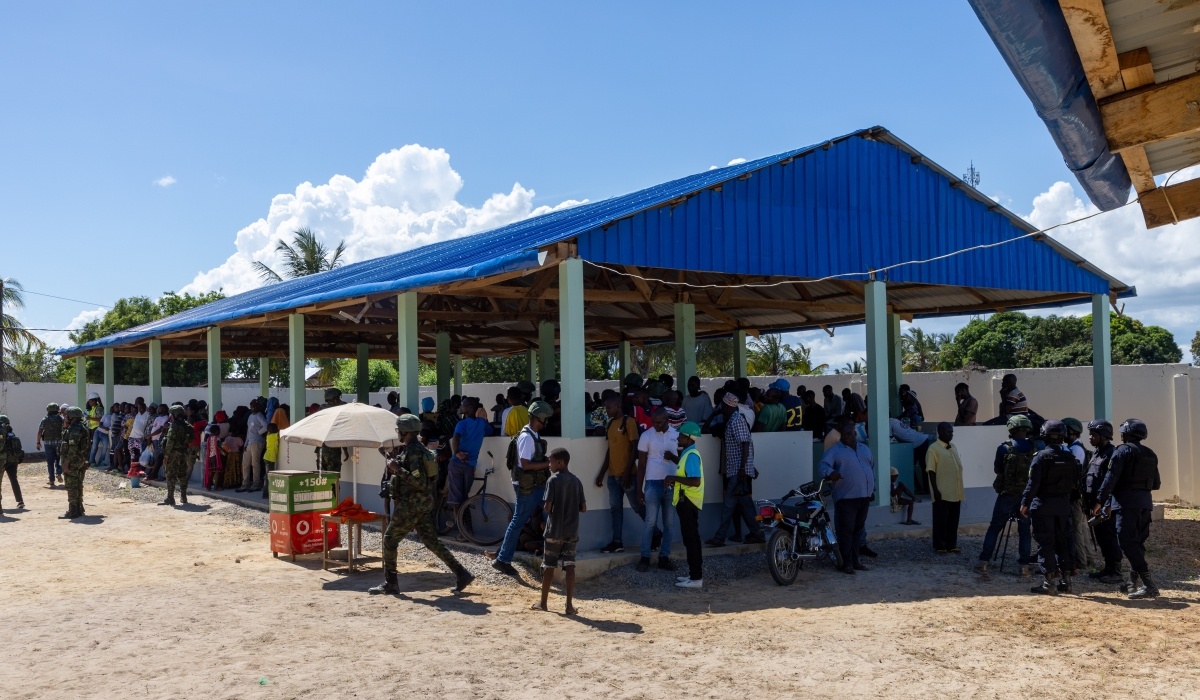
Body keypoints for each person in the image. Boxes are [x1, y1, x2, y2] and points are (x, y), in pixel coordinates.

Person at [370, 414, 474, 595]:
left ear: (405, 431)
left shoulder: (413, 451)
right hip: (423, 503)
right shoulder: (415, 448)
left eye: (399, 431)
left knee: (389, 539)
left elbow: (420, 482)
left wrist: (397, 469)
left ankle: (391, 583)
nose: (398, 434)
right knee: (431, 541)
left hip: (412, 503)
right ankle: (462, 573)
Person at [1092, 419, 1161, 599]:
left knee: (1126, 543)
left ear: (1126, 434)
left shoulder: (1122, 451)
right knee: (1136, 543)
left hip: (1125, 504)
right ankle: (1132, 584)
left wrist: (1100, 501)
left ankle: (1149, 585)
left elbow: (1110, 479)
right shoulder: (1150, 453)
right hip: (1145, 503)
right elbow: (1156, 484)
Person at [490, 401, 555, 575]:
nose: (547, 422)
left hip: (533, 485)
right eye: (545, 419)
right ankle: (502, 559)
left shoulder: (532, 435)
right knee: (518, 522)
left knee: (521, 521)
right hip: (527, 487)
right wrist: (547, 463)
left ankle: (501, 556)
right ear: (540, 419)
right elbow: (525, 465)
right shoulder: (527, 437)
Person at [1022, 420, 1081, 595]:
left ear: (1044, 436)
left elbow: (1033, 483)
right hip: (1063, 506)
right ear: (1063, 437)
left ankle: (1049, 584)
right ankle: (1067, 582)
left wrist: (1025, 503)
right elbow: (1077, 482)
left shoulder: (1041, 456)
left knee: (1046, 543)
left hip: (1043, 506)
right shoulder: (1070, 457)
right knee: (1063, 542)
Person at [974, 415, 1035, 577]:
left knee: (995, 528)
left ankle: (983, 563)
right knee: (1024, 532)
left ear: (1011, 429)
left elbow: (997, 469)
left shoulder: (1004, 448)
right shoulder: (1034, 447)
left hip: (1007, 495)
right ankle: (1024, 567)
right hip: (1026, 498)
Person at [705, 393, 764, 547]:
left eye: (722, 407)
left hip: (738, 471)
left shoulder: (736, 420)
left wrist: (744, 467)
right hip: (738, 470)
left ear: (726, 406)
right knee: (745, 505)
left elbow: (745, 443)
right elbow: (745, 444)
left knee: (728, 504)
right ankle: (757, 533)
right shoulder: (734, 419)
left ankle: (719, 537)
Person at [818, 418, 875, 574]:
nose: (846, 437)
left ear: (855, 433)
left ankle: (855, 561)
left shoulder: (865, 449)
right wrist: (831, 473)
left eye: (849, 434)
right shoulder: (835, 450)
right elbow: (822, 466)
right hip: (846, 498)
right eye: (844, 434)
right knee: (846, 531)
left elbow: (871, 469)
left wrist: (872, 489)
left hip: (864, 497)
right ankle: (846, 563)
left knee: (857, 530)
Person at [533, 447, 586, 614]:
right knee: (570, 566)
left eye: (551, 461)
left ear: (560, 462)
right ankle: (569, 606)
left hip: (554, 530)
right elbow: (583, 508)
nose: (549, 464)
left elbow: (548, 507)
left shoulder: (553, 481)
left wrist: (544, 509)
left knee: (549, 566)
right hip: (572, 531)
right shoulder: (577, 481)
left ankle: (543, 603)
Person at [593, 395, 643, 553]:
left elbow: (635, 448)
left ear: (618, 406)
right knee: (615, 509)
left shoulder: (628, 422)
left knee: (637, 506)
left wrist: (627, 473)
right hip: (613, 476)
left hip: (627, 475)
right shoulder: (610, 424)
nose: (606, 410)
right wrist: (602, 473)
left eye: (608, 407)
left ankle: (656, 533)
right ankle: (617, 542)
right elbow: (611, 450)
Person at [635, 408, 680, 572]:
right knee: (650, 522)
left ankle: (664, 558)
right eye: (653, 422)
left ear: (667, 420)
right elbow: (641, 464)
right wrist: (639, 490)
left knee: (669, 523)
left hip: (672, 484)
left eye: (659, 422)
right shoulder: (646, 435)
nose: (655, 425)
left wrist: (672, 457)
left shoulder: (676, 435)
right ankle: (644, 558)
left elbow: (683, 461)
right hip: (652, 483)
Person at [1082, 419, 1123, 583]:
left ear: (1104, 436)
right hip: (1094, 503)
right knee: (1101, 538)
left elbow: (1114, 482)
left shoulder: (1112, 454)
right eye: (1090, 434)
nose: (1090, 438)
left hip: (1106, 505)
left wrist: (1108, 505)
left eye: (1094, 435)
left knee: (1110, 537)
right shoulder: (1097, 453)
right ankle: (1108, 568)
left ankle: (1116, 571)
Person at [665, 421, 705, 588]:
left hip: (688, 501)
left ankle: (696, 578)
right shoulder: (687, 454)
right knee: (690, 539)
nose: (678, 438)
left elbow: (695, 481)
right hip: (685, 501)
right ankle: (693, 574)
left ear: (689, 438)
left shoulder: (692, 455)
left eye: (681, 435)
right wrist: (677, 483)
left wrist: (673, 478)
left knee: (691, 539)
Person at [1062, 417, 1099, 573]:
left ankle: (1081, 561)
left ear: (1071, 432)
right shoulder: (1076, 448)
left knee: (1077, 528)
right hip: (1080, 495)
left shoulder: (1075, 450)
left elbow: (1072, 474)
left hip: (1076, 496)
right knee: (1082, 527)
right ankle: (1088, 558)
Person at [447, 397, 493, 512]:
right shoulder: (482, 423)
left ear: (470, 408)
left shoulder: (462, 423)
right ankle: (467, 527)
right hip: (470, 466)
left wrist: (456, 452)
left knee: (457, 500)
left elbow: (456, 437)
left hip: (457, 464)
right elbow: (491, 431)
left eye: (463, 405)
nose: (460, 407)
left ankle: (459, 524)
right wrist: (485, 420)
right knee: (464, 498)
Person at [926, 422, 965, 554]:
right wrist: (935, 491)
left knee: (953, 520)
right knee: (941, 520)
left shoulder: (952, 446)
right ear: (941, 432)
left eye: (952, 432)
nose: (951, 435)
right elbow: (931, 471)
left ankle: (951, 545)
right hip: (942, 491)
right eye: (949, 432)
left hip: (955, 490)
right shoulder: (933, 449)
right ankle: (940, 546)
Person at [58, 407, 91, 519]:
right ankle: (78, 509)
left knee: (72, 486)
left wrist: (66, 462)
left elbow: (72, 448)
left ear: (72, 417)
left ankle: (73, 511)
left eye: (66, 415)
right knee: (77, 485)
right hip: (79, 461)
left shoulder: (75, 429)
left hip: (73, 462)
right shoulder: (81, 428)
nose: (65, 417)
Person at [160, 404, 192, 506]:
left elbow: (170, 442)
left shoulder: (173, 426)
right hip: (184, 452)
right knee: (182, 474)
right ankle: (183, 496)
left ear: (175, 414)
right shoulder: (188, 426)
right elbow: (192, 439)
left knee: (170, 475)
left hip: (174, 453)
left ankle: (170, 498)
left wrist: (166, 456)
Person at [240, 400, 268, 493]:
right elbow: (249, 431)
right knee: (245, 464)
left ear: (258, 406)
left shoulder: (259, 415)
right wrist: (245, 444)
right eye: (251, 405)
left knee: (255, 464)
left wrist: (259, 433)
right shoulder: (250, 416)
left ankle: (256, 484)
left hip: (257, 442)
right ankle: (245, 483)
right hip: (249, 443)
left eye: (255, 405)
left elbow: (266, 426)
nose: (253, 406)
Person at [37, 401, 65, 487]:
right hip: (59, 442)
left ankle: (51, 480)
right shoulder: (61, 419)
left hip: (48, 442)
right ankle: (58, 472)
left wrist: (38, 442)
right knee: (59, 459)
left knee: (50, 461)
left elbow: (40, 431)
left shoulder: (44, 419)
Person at [0, 416, 25, 510]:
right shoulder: (12, 435)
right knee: (14, 480)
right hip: (13, 461)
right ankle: (20, 501)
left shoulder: (2, 434)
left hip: (3, 460)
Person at [202, 424, 224, 491]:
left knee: (211, 472)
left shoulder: (209, 438)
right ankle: (216, 487)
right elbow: (217, 445)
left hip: (210, 457)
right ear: (217, 431)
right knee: (217, 472)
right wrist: (224, 451)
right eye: (219, 430)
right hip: (216, 457)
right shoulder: (217, 437)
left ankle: (208, 486)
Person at [261, 422, 280, 499]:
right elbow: (280, 434)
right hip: (269, 459)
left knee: (267, 476)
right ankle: (266, 494)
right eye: (276, 428)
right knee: (269, 477)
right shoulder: (273, 436)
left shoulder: (269, 435)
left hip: (268, 458)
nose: (277, 429)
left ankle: (267, 493)